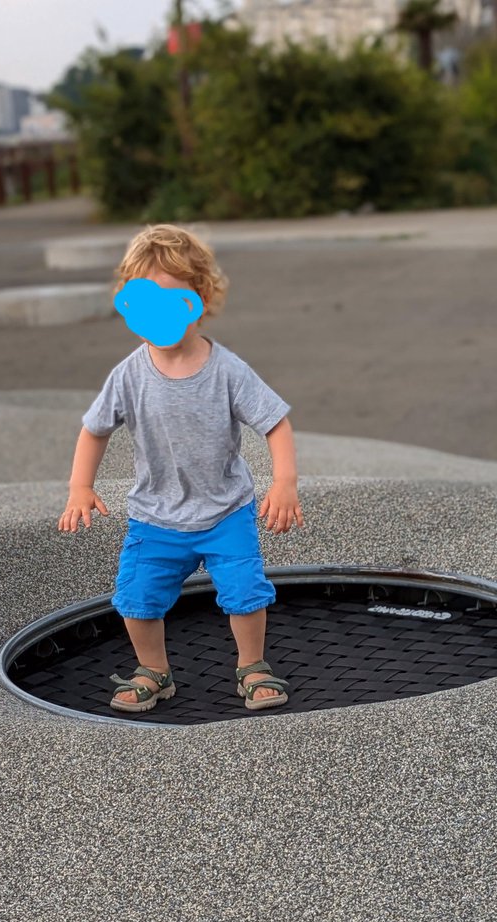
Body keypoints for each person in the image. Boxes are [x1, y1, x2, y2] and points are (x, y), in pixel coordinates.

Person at [58, 223, 304, 715]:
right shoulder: (128, 375)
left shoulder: (227, 369)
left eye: (172, 299)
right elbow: (94, 429)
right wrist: (79, 487)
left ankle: (252, 666)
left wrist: (285, 482)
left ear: (203, 297)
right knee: (136, 599)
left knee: (246, 593)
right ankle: (154, 670)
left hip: (226, 510)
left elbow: (276, 423)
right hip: (155, 515)